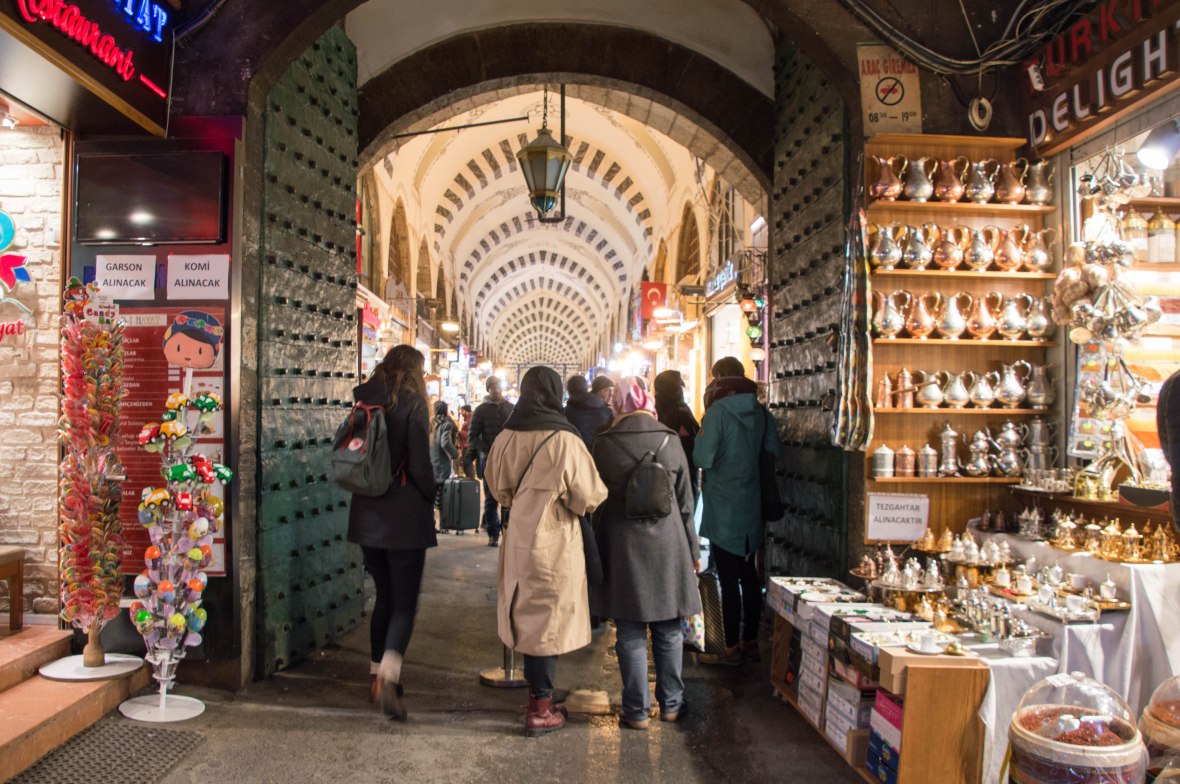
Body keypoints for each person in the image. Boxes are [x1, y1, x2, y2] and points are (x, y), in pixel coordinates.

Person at [485, 366, 608, 737]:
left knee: (526, 611)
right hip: (555, 539)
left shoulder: (507, 434)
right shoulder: (564, 439)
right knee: (547, 620)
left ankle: (538, 696)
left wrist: (520, 502)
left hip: (517, 533)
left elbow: (495, 486)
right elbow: (589, 496)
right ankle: (540, 708)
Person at [591, 377, 700, 729]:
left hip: (622, 544)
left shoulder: (604, 442)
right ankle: (671, 704)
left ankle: (635, 711)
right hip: (668, 542)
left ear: (619, 403)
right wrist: (694, 549)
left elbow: (593, 498)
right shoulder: (669, 438)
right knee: (669, 627)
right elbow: (686, 501)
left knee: (630, 629)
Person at [346, 345, 437, 719]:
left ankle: (373, 675)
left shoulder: (364, 398)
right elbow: (419, 465)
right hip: (404, 518)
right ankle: (388, 676)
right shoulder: (413, 404)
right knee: (404, 602)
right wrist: (433, 493)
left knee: (383, 596)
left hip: (366, 513)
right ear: (414, 370)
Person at [694, 356, 782, 666]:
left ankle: (730, 645)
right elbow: (773, 450)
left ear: (717, 381)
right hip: (752, 504)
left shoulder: (717, 412)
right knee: (749, 574)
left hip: (723, 505)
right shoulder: (761, 412)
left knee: (727, 579)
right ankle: (751, 641)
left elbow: (703, 458)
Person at [469, 377, 515, 546]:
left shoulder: (510, 408)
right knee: (490, 499)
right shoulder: (480, 410)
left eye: (498, 386)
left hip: (509, 461)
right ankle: (493, 533)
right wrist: (487, 448)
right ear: (488, 389)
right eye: (493, 387)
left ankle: (507, 532)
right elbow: (472, 437)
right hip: (488, 461)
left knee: (508, 499)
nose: (496, 390)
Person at [654, 369, 701, 499]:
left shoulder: (652, 411)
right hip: (682, 479)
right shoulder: (682, 412)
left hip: (656, 477)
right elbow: (693, 447)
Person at [563, 374, 613, 449]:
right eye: (606, 390)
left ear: (568, 390)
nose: (610, 394)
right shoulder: (607, 412)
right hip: (600, 455)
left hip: (576, 454)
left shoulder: (565, 413)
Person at [429, 401, 459, 510]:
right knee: (442, 499)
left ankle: (431, 522)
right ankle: (443, 523)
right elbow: (445, 442)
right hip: (441, 463)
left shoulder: (430, 422)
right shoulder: (445, 424)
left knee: (432, 495)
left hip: (431, 462)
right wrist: (455, 454)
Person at [457, 404, 477, 479]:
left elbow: (469, 434)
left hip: (468, 445)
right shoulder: (466, 419)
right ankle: (469, 479)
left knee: (467, 464)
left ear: (467, 411)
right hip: (465, 445)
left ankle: (471, 480)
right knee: (465, 464)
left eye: (462, 410)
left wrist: (459, 432)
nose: (460, 412)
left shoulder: (469, 420)